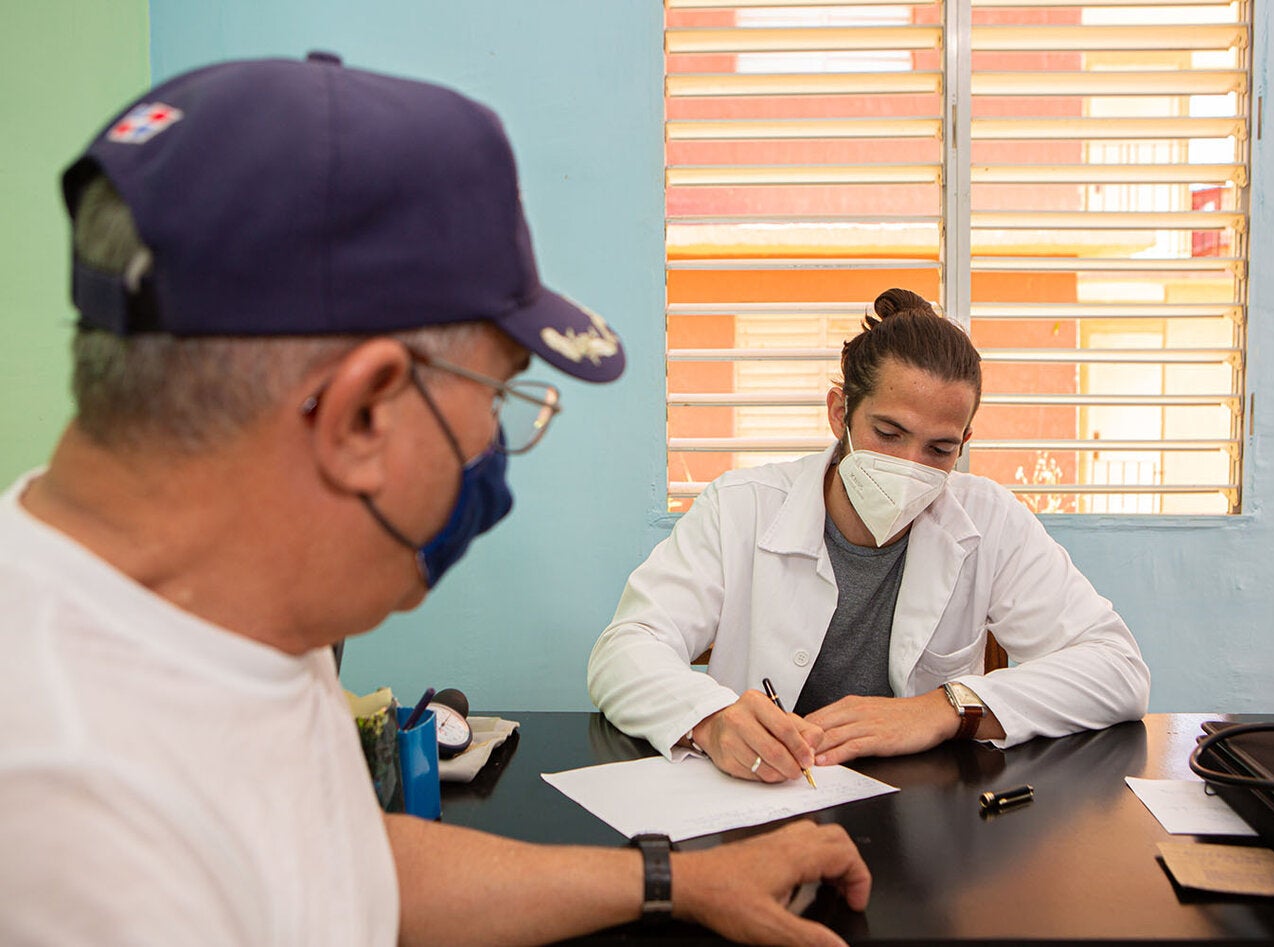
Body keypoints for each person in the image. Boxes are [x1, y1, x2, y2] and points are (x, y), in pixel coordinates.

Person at [0, 53, 870, 947]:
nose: (494, 448)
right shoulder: (67, 821)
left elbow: (350, 866)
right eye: (495, 398)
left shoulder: (230, 608)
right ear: (362, 413)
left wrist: (678, 880)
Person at [588, 288, 1150, 785]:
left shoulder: (991, 521)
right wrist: (711, 721)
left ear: (965, 441)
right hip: (761, 802)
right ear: (840, 412)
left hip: (923, 822)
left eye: (940, 448)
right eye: (889, 433)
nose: (911, 465)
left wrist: (945, 708)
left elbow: (1117, 670)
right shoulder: (742, 508)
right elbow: (624, 650)